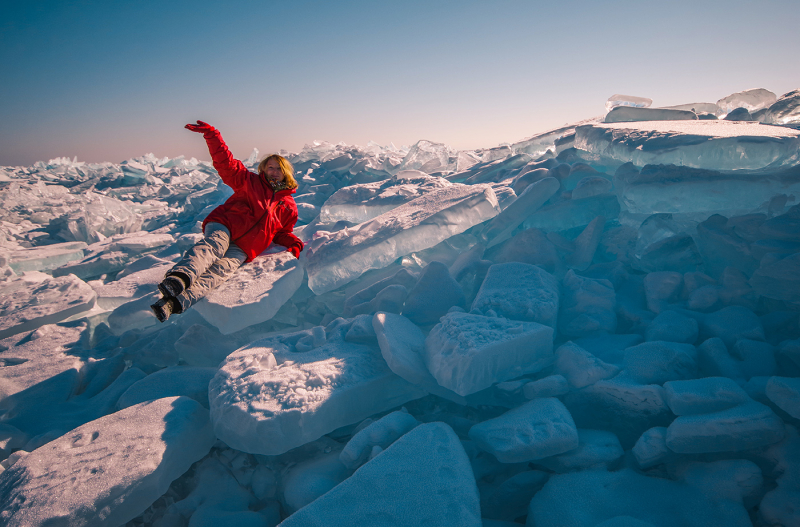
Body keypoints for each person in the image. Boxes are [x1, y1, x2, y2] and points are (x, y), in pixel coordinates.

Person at [150, 120, 304, 322]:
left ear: (286, 172)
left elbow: (282, 232)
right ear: (263, 169)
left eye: (278, 168)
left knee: (220, 271)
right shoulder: (250, 181)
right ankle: (178, 279)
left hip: (246, 246)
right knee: (213, 247)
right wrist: (212, 135)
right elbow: (226, 164)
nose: (274, 171)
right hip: (226, 225)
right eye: (270, 167)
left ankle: (173, 304)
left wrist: (294, 244)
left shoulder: (288, 206)